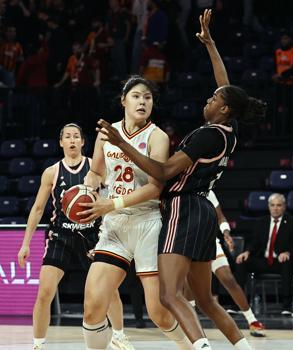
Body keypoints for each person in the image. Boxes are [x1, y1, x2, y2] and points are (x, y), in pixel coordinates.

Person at [97, 9, 266, 350]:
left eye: (214, 100)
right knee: (206, 299)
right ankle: (245, 348)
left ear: (224, 110)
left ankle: (201, 348)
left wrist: (120, 144)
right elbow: (226, 86)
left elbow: (161, 172)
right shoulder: (227, 131)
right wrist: (211, 45)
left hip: (183, 208)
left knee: (170, 295)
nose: (209, 98)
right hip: (204, 211)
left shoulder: (206, 137)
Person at [79, 76, 193, 349]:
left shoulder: (158, 137)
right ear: (123, 101)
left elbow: (156, 188)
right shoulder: (106, 133)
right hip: (115, 225)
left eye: (148, 97)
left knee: (159, 313)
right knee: (93, 307)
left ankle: (189, 346)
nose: (143, 101)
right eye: (136, 96)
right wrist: (87, 191)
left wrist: (111, 203)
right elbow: (96, 172)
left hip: (147, 223)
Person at [17, 123, 132, 350]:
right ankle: (38, 344)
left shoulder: (95, 167)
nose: (71, 140)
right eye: (67, 137)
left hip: (92, 235)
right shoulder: (51, 172)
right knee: (44, 293)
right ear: (61, 142)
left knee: (109, 291)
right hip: (61, 235)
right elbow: (38, 209)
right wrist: (25, 244)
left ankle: (119, 336)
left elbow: (111, 197)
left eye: (76, 136)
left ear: (82, 142)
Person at [185, 190, 265, 337]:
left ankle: (252, 320)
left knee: (228, 279)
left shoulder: (208, 190)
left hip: (209, 241)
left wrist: (226, 233)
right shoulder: (178, 188)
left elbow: (221, 217)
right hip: (186, 241)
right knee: (187, 283)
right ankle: (191, 325)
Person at [235, 193, 293, 315]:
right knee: (241, 262)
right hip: (263, 260)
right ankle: (238, 304)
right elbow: (254, 241)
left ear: (284, 207)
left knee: (287, 263)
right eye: (272, 205)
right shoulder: (262, 222)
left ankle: (286, 306)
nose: (275, 208)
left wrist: (288, 252)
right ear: (269, 206)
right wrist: (247, 252)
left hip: (281, 261)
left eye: (279, 205)